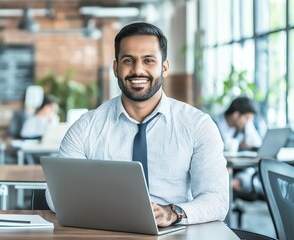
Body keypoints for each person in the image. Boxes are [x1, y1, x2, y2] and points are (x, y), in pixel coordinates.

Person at [45, 22, 229, 227]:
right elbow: (56, 194)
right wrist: (112, 210)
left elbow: (217, 199)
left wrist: (173, 213)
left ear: (164, 67)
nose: (137, 70)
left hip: (175, 233)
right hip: (106, 231)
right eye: (128, 60)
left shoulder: (197, 126)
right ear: (116, 68)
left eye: (148, 60)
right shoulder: (86, 127)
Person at [215, 97, 264, 195]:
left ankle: (237, 184)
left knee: (256, 171)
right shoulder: (213, 124)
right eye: (246, 118)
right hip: (219, 169)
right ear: (236, 115)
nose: (247, 122)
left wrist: (248, 126)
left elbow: (257, 143)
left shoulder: (241, 127)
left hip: (235, 169)